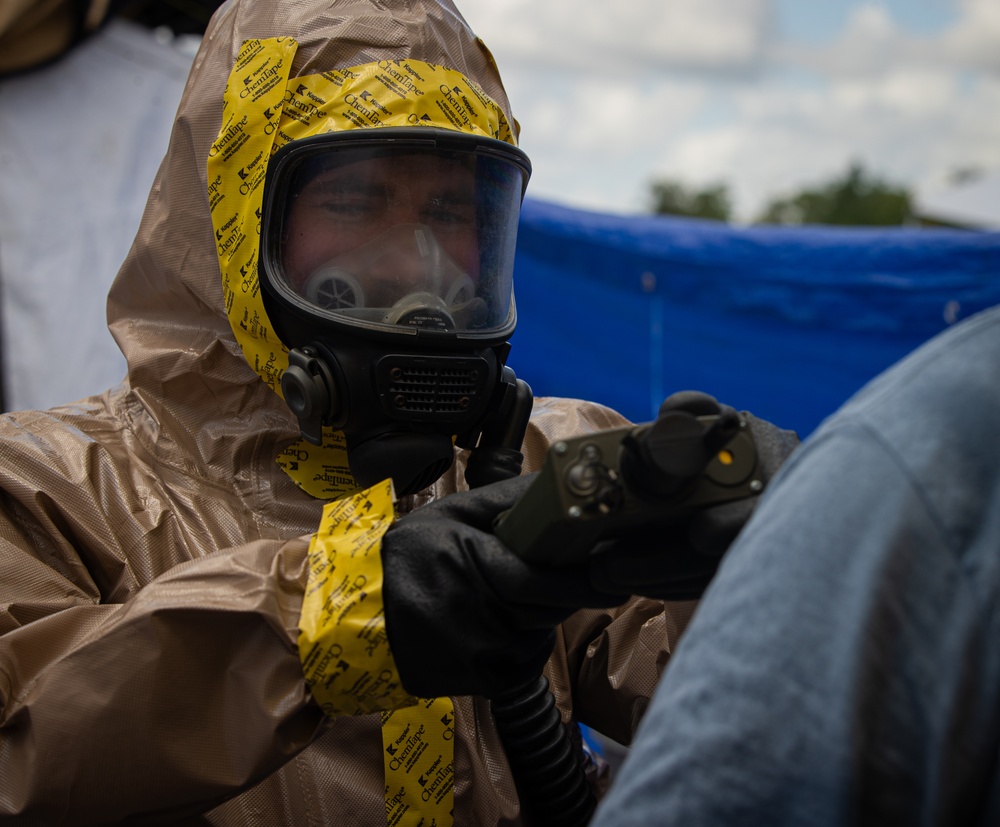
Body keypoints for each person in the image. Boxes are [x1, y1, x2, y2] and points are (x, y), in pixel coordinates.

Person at [0, 1, 796, 824]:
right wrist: (342, 618)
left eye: (451, 211)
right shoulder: (51, 493)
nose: (415, 263)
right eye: (355, 199)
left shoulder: (546, 470)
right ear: (233, 223)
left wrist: (796, 549)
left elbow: (780, 727)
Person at [589, 303, 1000, 826]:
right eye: (443, 218)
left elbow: (676, 701)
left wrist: (752, 577)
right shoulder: (930, 441)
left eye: (463, 218)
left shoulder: (928, 450)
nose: (453, 271)